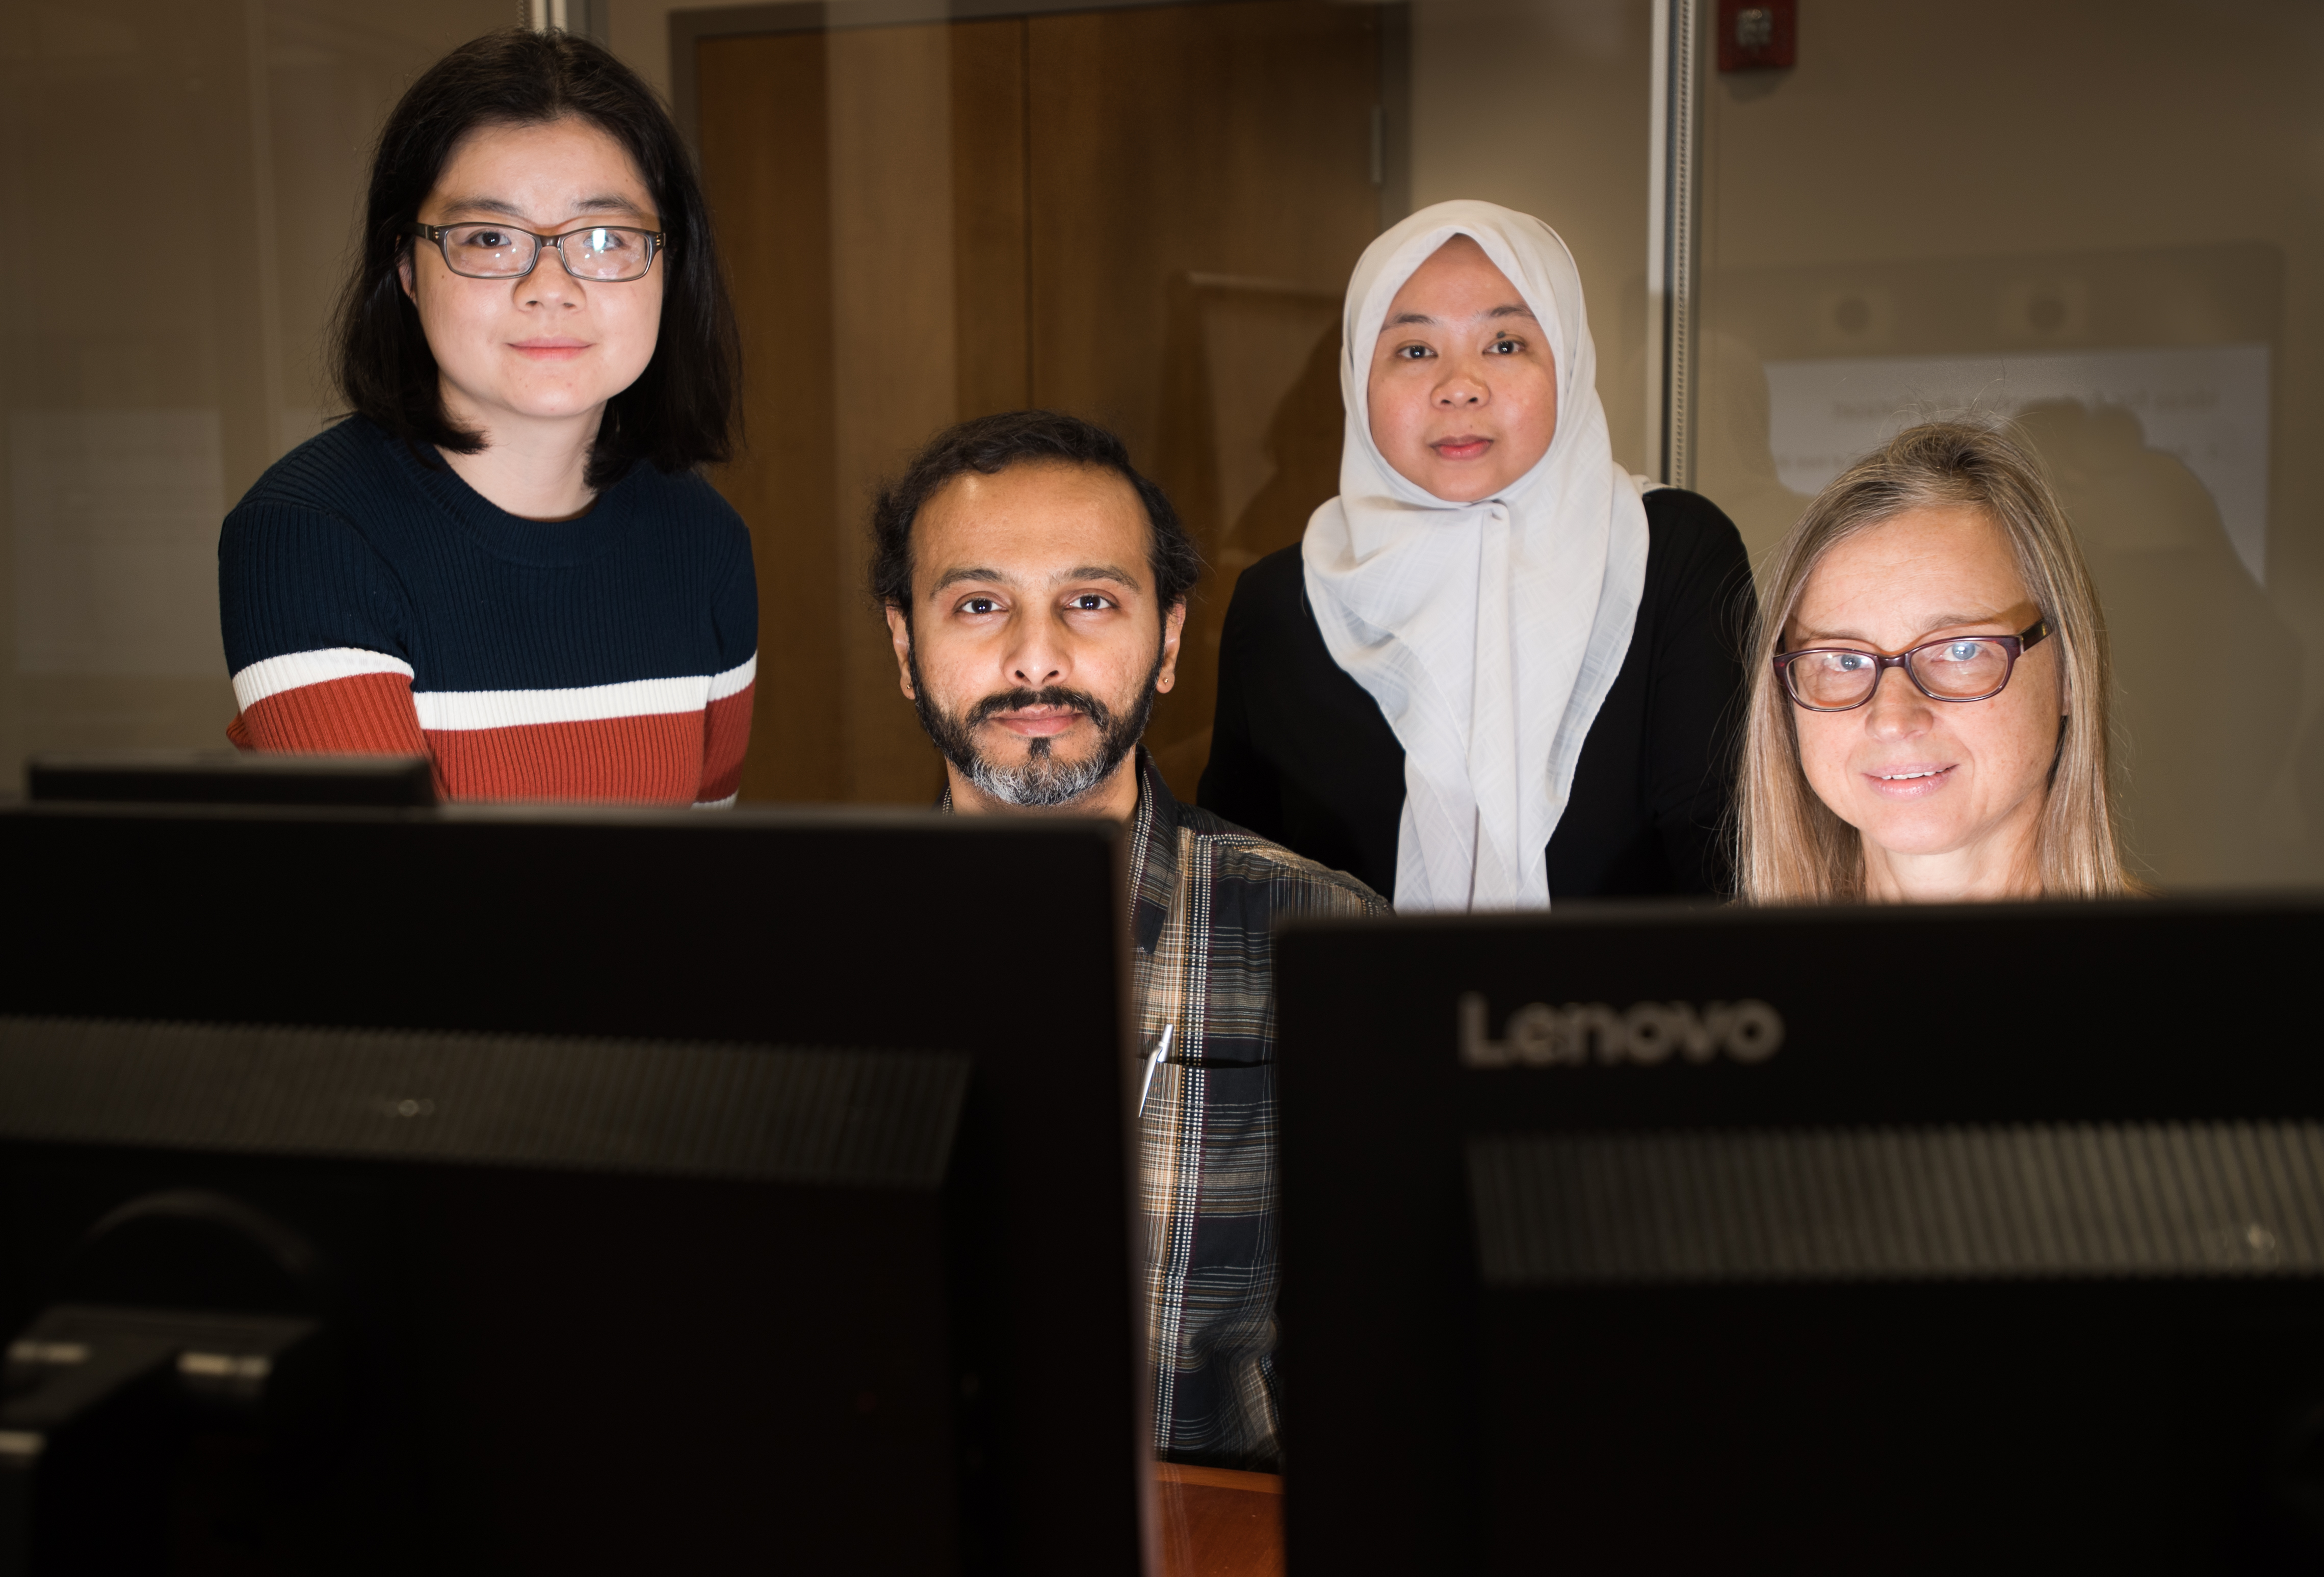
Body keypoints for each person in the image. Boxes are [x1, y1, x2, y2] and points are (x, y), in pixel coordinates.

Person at [873, 409, 1388, 1469]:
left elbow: (1390, 1352)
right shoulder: (812, 942)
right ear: (903, 646)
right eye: (978, 604)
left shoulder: (1320, 938)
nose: (1034, 659)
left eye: (1089, 602)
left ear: (1166, 641)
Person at [218, 30, 754, 805]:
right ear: (405, 266)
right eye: (490, 239)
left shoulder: (706, 542)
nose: (549, 286)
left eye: (605, 239)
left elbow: (703, 875)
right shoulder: (307, 535)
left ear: (670, 265)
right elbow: (394, 907)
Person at [1198, 200, 1754, 909]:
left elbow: (1725, 863)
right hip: (1353, 1017)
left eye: (1504, 343)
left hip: (1635, 1017)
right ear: (1356, 380)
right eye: (1414, 350)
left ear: (1569, 364)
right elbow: (1238, 885)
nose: (1458, 386)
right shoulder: (1281, 601)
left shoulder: (1667, 552)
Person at [1736, 420, 2140, 901]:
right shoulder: (1702, 974)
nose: (1891, 720)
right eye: (1843, 661)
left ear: (2068, 673)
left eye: (1959, 650)